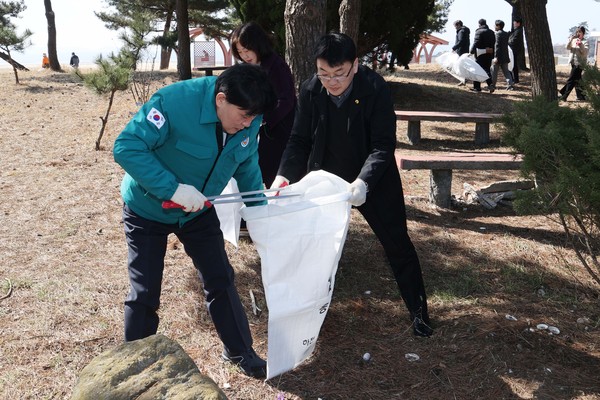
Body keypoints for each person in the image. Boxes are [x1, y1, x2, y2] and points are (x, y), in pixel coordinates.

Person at [113, 63, 276, 378]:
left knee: (221, 279)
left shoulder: (248, 114)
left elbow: (246, 162)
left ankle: (240, 352)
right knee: (145, 291)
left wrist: (258, 208)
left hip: (199, 211)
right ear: (220, 100)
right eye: (244, 116)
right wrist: (172, 188)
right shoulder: (174, 103)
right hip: (148, 208)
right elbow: (126, 147)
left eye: (254, 118)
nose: (249, 124)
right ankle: (136, 367)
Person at [270, 32, 433, 337]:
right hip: (326, 179)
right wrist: (283, 175)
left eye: (339, 74)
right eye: (324, 74)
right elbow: (299, 140)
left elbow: (383, 145)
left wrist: (363, 182)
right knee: (315, 247)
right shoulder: (310, 90)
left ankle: (419, 313)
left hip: (372, 179)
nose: (331, 82)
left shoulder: (375, 89)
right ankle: (309, 317)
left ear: (355, 65)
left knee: (397, 245)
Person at [230, 22, 296, 189]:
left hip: (277, 130)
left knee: (274, 173)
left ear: (258, 45)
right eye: (240, 52)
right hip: (254, 129)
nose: (244, 56)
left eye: (247, 50)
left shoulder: (276, 65)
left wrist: (262, 118)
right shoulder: (246, 68)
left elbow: (286, 100)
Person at [559, 26, 589, 101]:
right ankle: (582, 96)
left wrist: (580, 44)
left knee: (571, 80)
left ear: (583, 33)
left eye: (580, 32)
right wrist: (571, 40)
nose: (578, 33)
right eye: (577, 32)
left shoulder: (585, 42)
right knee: (577, 80)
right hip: (573, 62)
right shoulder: (574, 40)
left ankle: (564, 95)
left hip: (579, 64)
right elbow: (567, 47)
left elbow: (585, 53)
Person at [470, 19, 495, 92]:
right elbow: (493, 43)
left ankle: (477, 87)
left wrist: (471, 51)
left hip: (480, 54)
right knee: (487, 70)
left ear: (479, 24)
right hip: (489, 54)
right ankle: (490, 84)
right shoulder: (491, 32)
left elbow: (476, 42)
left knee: (477, 70)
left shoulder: (479, 31)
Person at [489, 20, 515, 93]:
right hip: (505, 56)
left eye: (495, 25)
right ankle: (510, 84)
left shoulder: (497, 34)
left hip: (498, 56)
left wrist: (496, 57)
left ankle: (493, 85)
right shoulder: (506, 34)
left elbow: (497, 46)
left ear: (498, 26)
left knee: (494, 71)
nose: (494, 26)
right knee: (506, 71)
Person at [452, 20, 471, 86]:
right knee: (463, 66)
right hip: (465, 50)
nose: (455, 28)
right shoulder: (465, 31)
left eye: (455, 26)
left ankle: (463, 80)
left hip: (461, 51)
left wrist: (454, 48)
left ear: (458, 25)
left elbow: (460, 41)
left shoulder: (461, 31)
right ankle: (464, 80)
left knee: (461, 66)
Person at [508, 18, 527, 84]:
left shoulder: (519, 31)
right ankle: (514, 79)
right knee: (513, 65)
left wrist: (507, 42)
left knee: (513, 65)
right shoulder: (516, 30)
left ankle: (515, 79)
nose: (514, 24)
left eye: (515, 22)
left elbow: (514, 40)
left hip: (514, 50)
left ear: (518, 23)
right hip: (514, 50)